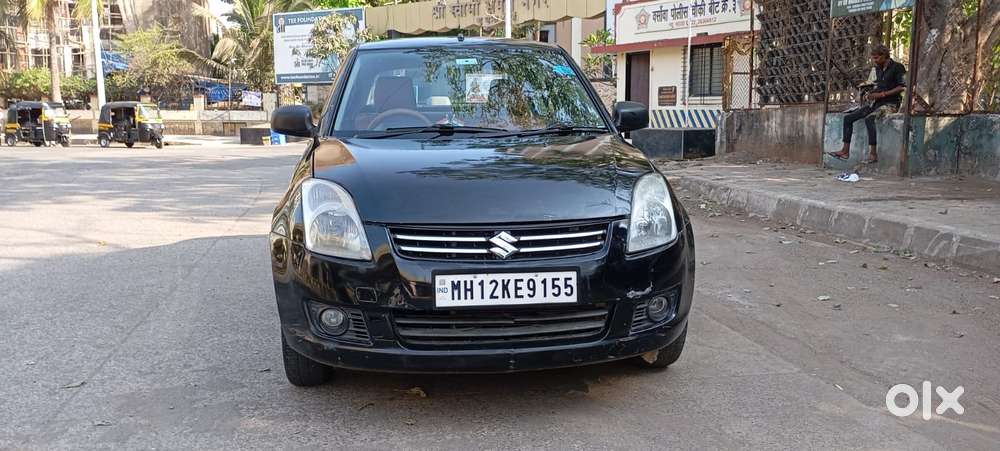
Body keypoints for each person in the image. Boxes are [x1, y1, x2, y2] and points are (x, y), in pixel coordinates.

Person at [827, 44, 906, 164]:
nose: (874, 61)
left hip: (891, 103)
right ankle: (845, 151)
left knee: (870, 119)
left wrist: (882, 94)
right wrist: (870, 94)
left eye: (876, 58)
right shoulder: (878, 69)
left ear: (884, 56)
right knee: (848, 118)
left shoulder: (897, 67)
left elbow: (901, 87)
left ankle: (873, 154)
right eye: (873, 58)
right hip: (877, 103)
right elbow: (879, 86)